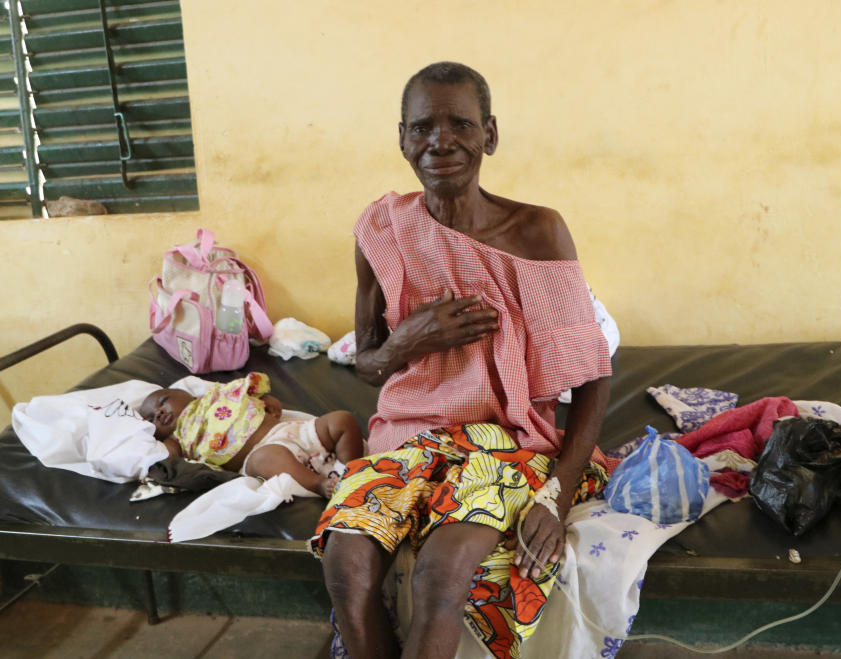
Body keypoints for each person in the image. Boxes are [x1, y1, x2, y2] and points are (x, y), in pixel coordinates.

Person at [310, 62, 613, 659]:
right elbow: (369, 365)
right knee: (346, 569)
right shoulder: (381, 231)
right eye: (422, 127)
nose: (440, 141)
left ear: (490, 135)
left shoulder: (536, 233)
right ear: (401, 139)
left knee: (441, 574)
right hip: (408, 440)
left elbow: (594, 376)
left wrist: (556, 494)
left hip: (507, 443)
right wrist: (408, 343)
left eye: (460, 124)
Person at [139, 372, 364, 498]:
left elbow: (263, 400)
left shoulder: (217, 397)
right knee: (267, 458)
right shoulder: (176, 439)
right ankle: (320, 484)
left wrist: (271, 405)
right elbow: (165, 456)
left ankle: (349, 469)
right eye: (151, 419)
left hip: (294, 432)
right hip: (260, 454)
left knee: (341, 420)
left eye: (163, 401)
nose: (157, 413)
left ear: (185, 394)